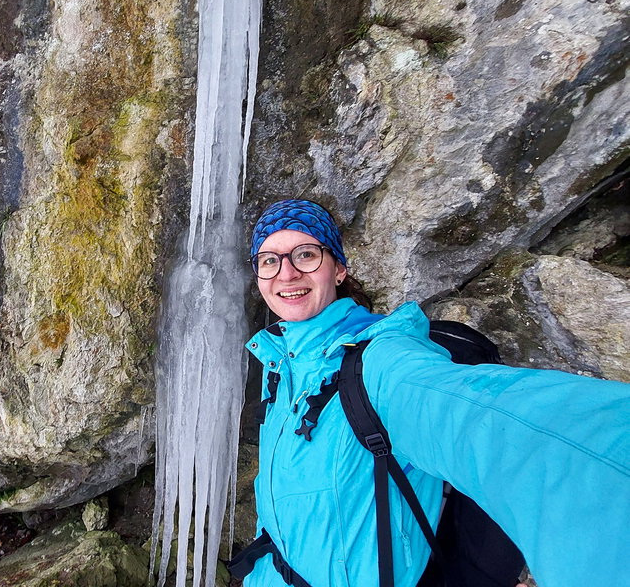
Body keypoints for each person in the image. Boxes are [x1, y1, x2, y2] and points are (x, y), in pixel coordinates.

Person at [234, 199, 629, 587]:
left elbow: (493, 423)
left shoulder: (382, 361)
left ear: (338, 269)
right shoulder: (279, 364)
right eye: (269, 260)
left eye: (305, 254)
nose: (286, 273)